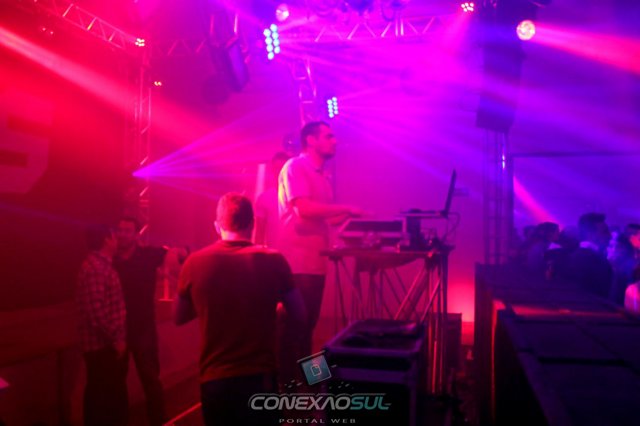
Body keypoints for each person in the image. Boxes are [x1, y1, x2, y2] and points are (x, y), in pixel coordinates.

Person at [174, 192, 306, 426]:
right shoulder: (273, 260)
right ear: (252, 224)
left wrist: (211, 300)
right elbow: (300, 315)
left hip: (215, 379)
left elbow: (178, 316)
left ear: (217, 226)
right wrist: (275, 310)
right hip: (260, 377)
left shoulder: (195, 262)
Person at [277, 121, 362, 385]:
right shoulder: (295, 167)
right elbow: (304, 210)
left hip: (315, 263)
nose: (334, 141)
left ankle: (309, 383)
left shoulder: (323, 177)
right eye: (328, 136)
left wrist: (356, 218)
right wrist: (346, 208)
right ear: (311, 140)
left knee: (307, 326)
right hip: (297, 263)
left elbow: (328, 218)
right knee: (296, 328)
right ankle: (291, 387)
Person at [113, 217, 167, 426]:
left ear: (136, 235)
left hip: (143, 328)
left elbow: (174, 254)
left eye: (127, 230)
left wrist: (179, 255)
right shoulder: (110, 259)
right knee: (117, 382)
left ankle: (159, 421)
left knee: (150, 379)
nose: (123, 234)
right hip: (118, 329)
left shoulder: (147, 255)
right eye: (120, 230)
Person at [76, 225, 128, 426]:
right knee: (100, 397)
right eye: (114, 236)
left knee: (105, 395)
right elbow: (96, 314)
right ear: (106, 240)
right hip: (101, 348)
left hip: (104, 346)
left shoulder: (102, 266)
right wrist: (116, 340)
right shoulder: (95, 269)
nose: (118, 240)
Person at [567, 213, 613, 299]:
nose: (609, 235)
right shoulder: (586, 257)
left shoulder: (583, 254)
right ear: (590, 234)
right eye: (605, 232)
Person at [254, 151, 290, 247]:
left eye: (282, 169)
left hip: (296, 253)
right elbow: (259, 233)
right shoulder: (264, 198)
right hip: (274, 253)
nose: (279, 172)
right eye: (277, 169)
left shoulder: (299, 198)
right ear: (272, 170)